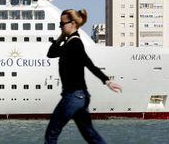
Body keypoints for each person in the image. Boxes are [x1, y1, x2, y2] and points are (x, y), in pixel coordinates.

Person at [44, 9, 122, 144]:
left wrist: (107, 80)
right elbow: (50, 53)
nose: (60, 27)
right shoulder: (70, 42)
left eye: (62, 24)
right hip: (80, 97)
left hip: (73, 96)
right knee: (90, 135)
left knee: (51, 133)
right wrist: (61, 36)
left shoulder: (75, 44)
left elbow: (88, 63)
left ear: (73, 23)